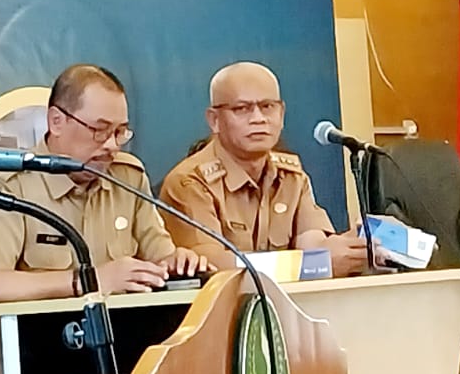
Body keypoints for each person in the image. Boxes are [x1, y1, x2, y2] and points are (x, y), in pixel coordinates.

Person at [0, 65, 208, 374]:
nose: (112, 145)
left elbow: (160, 257)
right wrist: (88, 281)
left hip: (103, 361)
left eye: (121, 132)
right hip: (6, 367)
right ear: (56, 121)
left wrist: (177, 264)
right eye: (99, 130)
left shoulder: (126, 178)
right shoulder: (3, 184)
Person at [159, 62, 371, 276]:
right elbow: (212, 266)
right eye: (242, 109)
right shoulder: (190, 182)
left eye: (268, 106)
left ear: (282, 113)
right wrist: (312, 264)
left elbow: (313, 243)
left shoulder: (291, 176)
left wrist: (351, 247)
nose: (258, 119)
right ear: (214, 120)